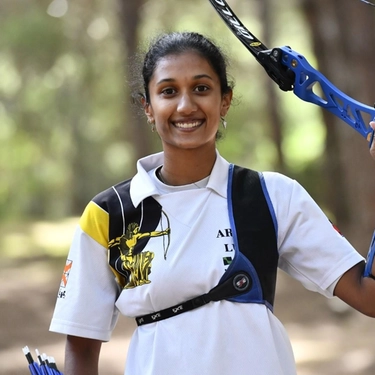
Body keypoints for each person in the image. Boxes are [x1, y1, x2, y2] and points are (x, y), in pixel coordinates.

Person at [49, 31, 375, 375]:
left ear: (225, 100)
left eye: (201, 88)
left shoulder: (273, 196)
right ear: (148, 106)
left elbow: (368, 296)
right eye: (168, 91)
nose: (186, 105)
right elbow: (81, 345)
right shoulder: (109, 214)